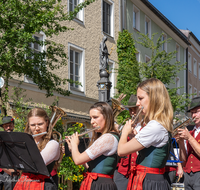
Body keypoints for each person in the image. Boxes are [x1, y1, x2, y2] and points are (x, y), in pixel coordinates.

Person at [118, 78, 173, 190]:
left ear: (154, 99)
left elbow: (121, 151)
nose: (138, 103)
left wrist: (124, 132)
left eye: (141, 98)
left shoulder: (155, 126)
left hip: (149, 182)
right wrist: (134, 136)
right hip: (150, 179)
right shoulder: (157, 124)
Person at [66, 102, 119, 190]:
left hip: (101, 185)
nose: (92, 122)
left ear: (107, 117)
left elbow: (77, 161)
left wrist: (75, 144)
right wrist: (72, 149)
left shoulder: (108, 138)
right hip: (96, 183)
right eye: (90, 118)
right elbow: (88, 166)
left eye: (95, 117)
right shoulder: (104, 137)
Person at [13, 108, 60, 190]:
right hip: (23, 183)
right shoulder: (24, 142)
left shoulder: (53, 144)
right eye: (33, 125)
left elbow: (35, 164)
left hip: (42, 185)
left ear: (47, 122)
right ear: (28, 125)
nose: (37, 128)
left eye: (40, 124)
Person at [113, 95, 141, 190]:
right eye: (130, 110)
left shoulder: (146, 126)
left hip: (138, 170)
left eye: (135, 109)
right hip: (123, 170)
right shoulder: (126, 124)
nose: (132, 112)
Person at [177, 96, 200, 190]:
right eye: (192, 113)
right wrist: (181, 143)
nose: (193, 115)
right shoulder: (190, 133)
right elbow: (183, 161)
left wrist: (189, 138)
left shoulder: (189, 135)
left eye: (196, 112)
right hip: (188, 175)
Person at [0, 116, 18, 190]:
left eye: (10, 125)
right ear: (3, 127)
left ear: (13, 126)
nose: (8, 128)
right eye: (6, 126)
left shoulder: (18, 138)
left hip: (11, 170)